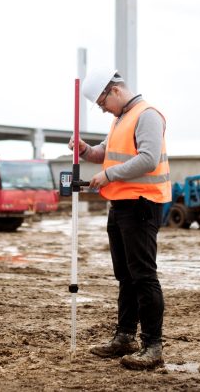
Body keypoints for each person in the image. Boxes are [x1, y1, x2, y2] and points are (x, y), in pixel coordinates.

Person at [69, 67, 172, 370]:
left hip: (141, 203)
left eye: (102, 102)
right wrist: (87, 151)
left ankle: (152, 345)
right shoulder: (120, 119)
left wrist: (109, 175)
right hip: (121, 204)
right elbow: (107, 152)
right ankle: (124, 336)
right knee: (125, 276)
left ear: (114, 90)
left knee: (143, 276)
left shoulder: (147, 115)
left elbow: (148, 158)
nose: (102, 109)